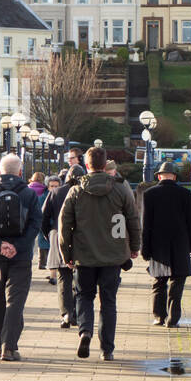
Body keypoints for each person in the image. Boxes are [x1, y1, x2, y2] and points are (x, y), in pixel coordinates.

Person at [59, 146, 140, 361]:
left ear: (86, 165)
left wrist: (66, 253)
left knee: (84, 296)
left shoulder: (76, 190)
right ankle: (107, 349)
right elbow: (133, 219)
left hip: (84, 255)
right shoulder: (121, 189)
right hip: (113, 256)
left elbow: (64, 224)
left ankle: (85, 331)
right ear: (106, 165)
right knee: (108, 302)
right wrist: (134, 247)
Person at [0, 153, 42, 362]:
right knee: (16, 300)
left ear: (0, 171)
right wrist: (17, 246)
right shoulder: (29, 195)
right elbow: (35, 224)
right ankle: (9, 346)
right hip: (21, 255)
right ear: (20, 172)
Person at [141, 161, 191, 327]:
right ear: (175, 176)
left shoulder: (149, 194)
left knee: (159, 282)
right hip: (180, 245)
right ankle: (173, 319)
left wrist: (145, 249)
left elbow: (146, 225)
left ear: (159, 176)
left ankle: (159, 316)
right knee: (177, 283)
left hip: (157, 246)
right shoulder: (185, 194)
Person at [43, 164, 83, 327]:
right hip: (82, 240)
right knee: (80, 278)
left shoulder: (56, 192)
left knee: (63, 277)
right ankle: (78, 312)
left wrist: (49, 234)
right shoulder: (85, 193)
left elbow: (44, 216)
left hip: (60, 236)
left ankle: (66, 313)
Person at [29, 172, 49, 272]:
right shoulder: (44, 189)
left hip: (30, 217)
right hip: (41, 216)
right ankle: (42, 262)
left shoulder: (28, 188)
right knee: (43, 239)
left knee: (30, 239)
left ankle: (29, 258)